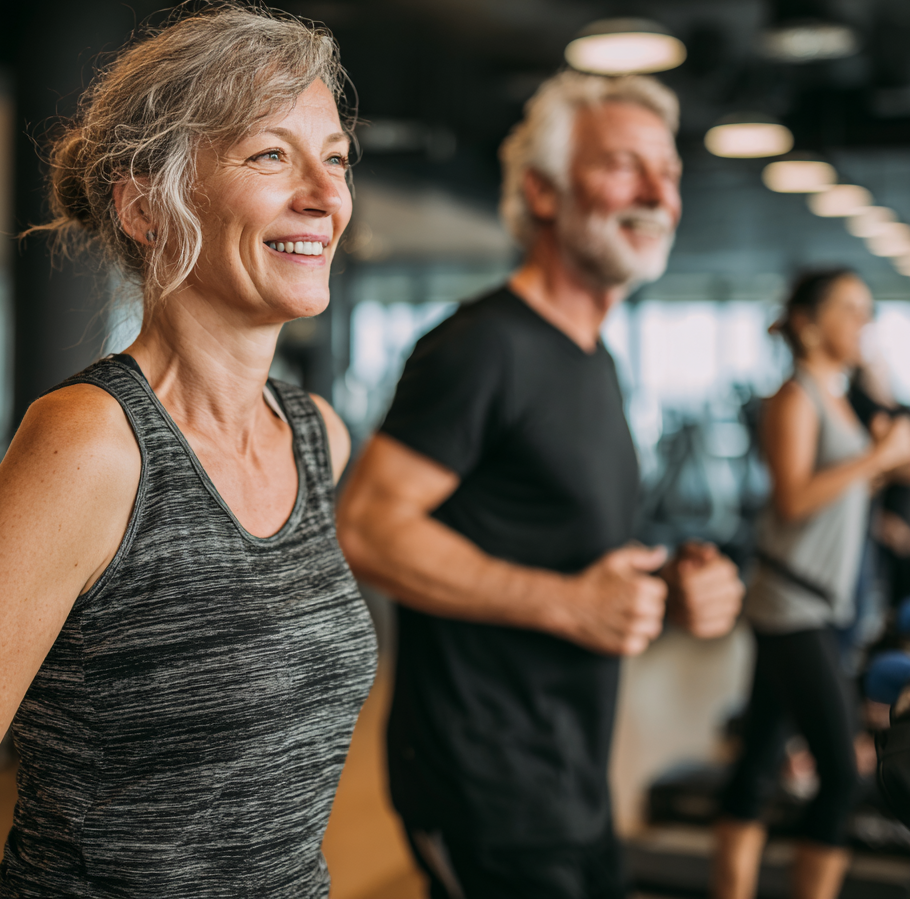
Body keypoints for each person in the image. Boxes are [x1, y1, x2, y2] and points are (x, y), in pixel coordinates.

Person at [0, 1, 377, 898]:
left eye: (336, 159)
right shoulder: (92, 447)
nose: (325, 194)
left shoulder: (317, 438)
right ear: (148, 206)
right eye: (273, 155)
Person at [336, 71, 745, 899]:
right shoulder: (481, 348)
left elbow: (564, 542)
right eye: (624, 165)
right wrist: (565, 602)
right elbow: (370, 526)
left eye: (667, 173)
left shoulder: (597, 361)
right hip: (482, 779)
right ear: (543, 192)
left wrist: (673, 584)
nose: (657, 193)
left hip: (574, 770)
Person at [714, 269, 910, 899]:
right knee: (840, 775)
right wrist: (876, 459)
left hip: (819, 606)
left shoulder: (837, 396)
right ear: (808, 322)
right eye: (851, 310)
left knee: (758, 761)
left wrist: (877, 467)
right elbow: (795, 500)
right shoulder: (794, 397)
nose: (864, 323)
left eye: (867, 310)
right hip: (791, 605)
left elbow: (841, 492)